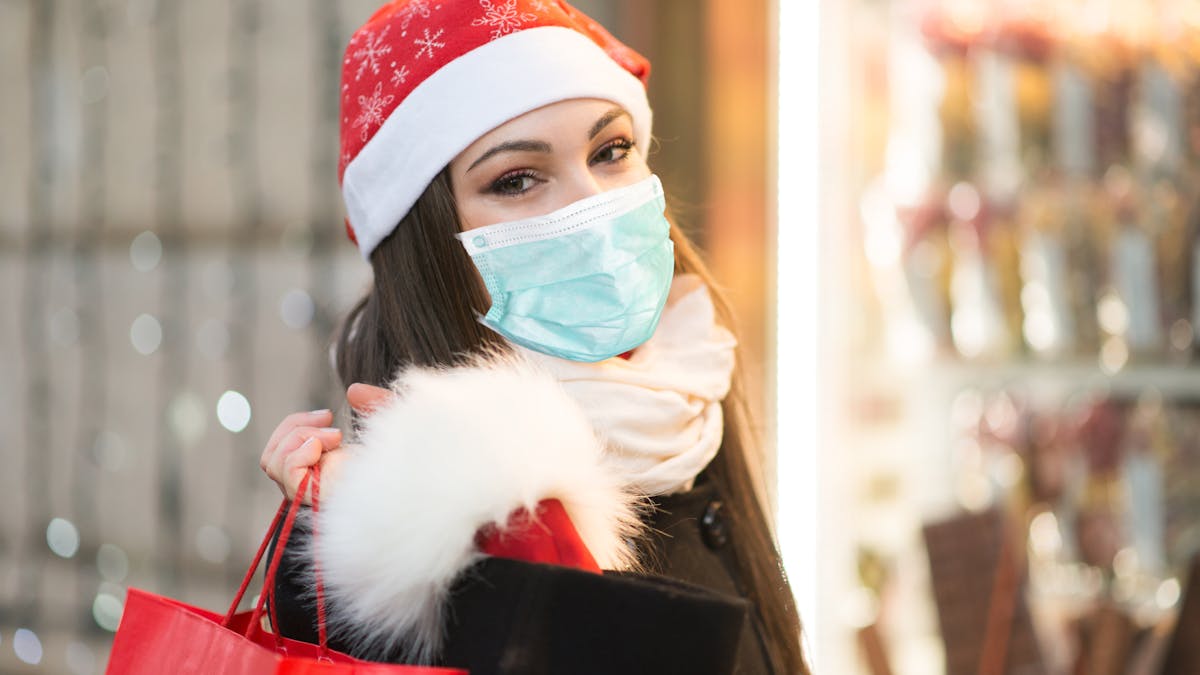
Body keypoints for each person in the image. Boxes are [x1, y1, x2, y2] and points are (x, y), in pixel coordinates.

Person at [258, 1, 809, 673]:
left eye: (611, 151)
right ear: (432, 246)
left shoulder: (690, 383)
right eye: (516, 179)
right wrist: (495, 527)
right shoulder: (400, 544)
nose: (589, 205)